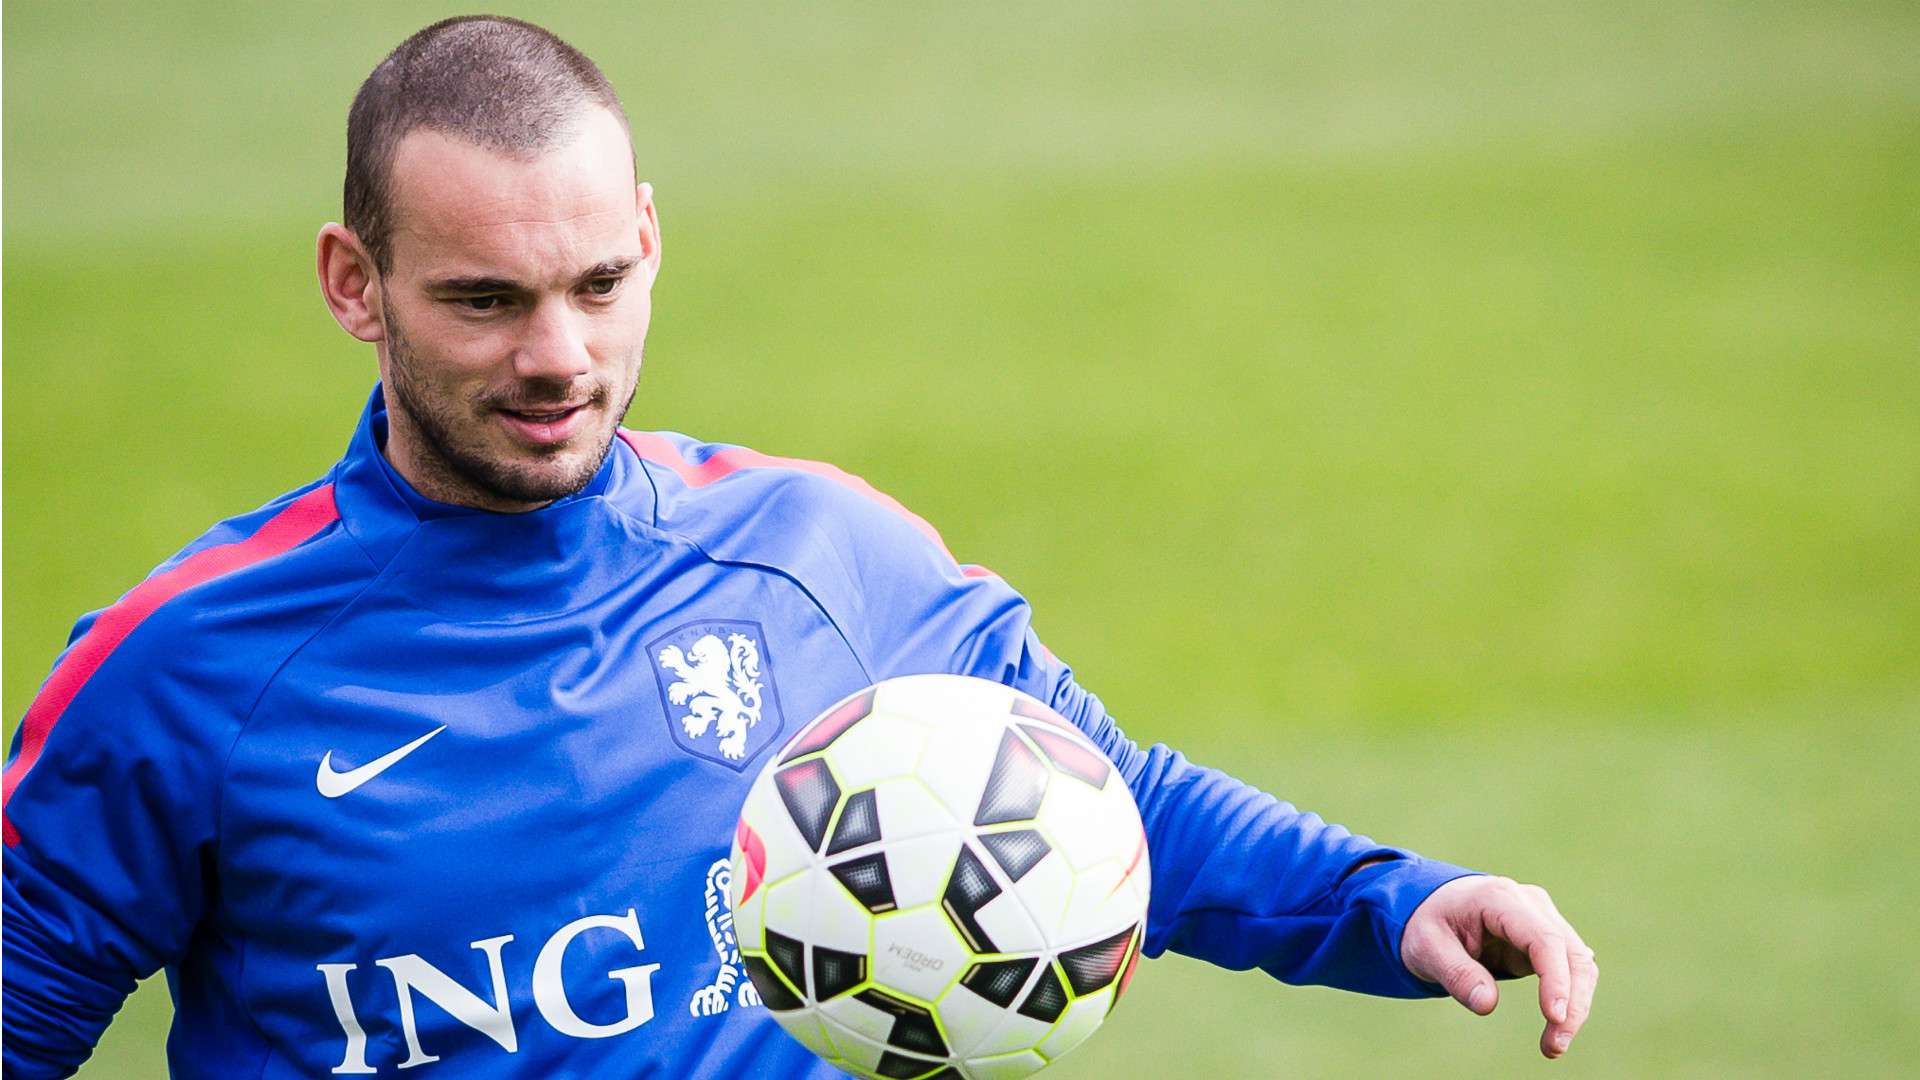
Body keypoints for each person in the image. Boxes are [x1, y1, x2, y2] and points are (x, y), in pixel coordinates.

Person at [1, 16, 1596, 1078]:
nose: (559, 356)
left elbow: (1098, 800)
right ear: (356, 284)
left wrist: (1390, 903)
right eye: (485, 300)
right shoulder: (185, 674)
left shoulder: (814, 555)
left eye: (599, 285)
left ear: (649, 241)